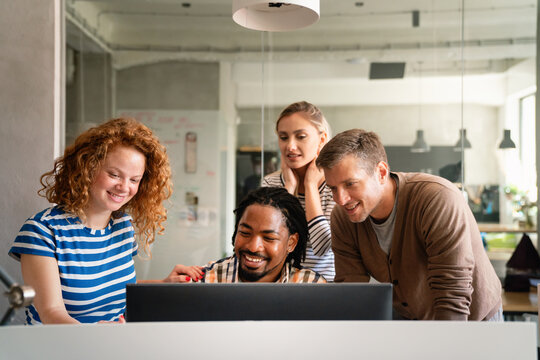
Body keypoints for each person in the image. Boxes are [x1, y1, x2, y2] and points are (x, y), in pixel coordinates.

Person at [8, 118, 197, 325]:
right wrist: (97, 336)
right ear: (88, 168)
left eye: (134, 179)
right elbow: (51, 313)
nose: (124, 187)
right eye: (114, 175)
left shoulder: (123, 227)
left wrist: (163, 284)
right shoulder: (42, 231)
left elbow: (111, 289)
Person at [316, 129, 502, 321]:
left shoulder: (436, 199)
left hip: (475, 318)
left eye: (350, 184)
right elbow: (351, 291)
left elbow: (452, 293)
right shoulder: (342, 217)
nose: (340, 199)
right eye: (333, 188)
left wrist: (447, 347)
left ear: (381, 172)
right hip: (416, 318)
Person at [262, 101, 335, 281]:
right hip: (282, 287)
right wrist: (288, 190)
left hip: (326, 289)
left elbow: (321, 246)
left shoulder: (335, 185)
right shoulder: (270, 182)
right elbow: (268, 244)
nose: (290, 146)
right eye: (284, 137)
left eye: (300, 136)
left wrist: (310, 186)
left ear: (322, 139)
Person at [200, 187, 326, 283]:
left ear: (291, 243)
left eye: (269, 238)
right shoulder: (205, 280)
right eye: (245, 233)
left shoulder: (311, 286)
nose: (253, 247)